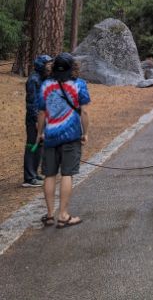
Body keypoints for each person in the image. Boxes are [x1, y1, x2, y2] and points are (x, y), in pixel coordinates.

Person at [37, 52, 90, 228]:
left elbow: (42, 113)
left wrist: (40, 133)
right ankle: (63, 215)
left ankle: (50, 214)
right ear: (72, 67)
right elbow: (84, 112)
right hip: (72, 136)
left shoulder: (45, 85)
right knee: (67, 174)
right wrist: (85, 132)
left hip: (50, 136)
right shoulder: (79, 85)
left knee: (49, 174)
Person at [22, 54, 53, 187]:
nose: (50, 66)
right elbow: (31, 103)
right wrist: (35, 121)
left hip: (42, 117)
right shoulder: (33, 80)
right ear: (41, 65)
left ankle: (34, 173)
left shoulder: (43, 78)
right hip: (33, 119)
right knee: (32, 146)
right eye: (48, 64)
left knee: (39, 144)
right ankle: (29, 178)